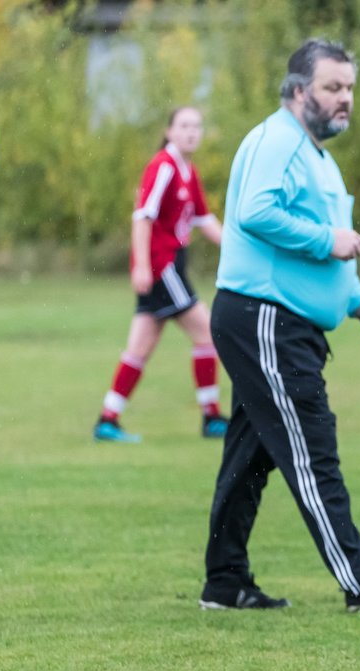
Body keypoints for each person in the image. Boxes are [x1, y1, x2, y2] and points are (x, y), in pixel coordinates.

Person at [199, 38, 360, 613]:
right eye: (332, 87)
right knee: (310, 447)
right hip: (265, 318)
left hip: (277, 322)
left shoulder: (318, 156)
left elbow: (338, 263)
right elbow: (254, 211)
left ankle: (225, 582)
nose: (345, 98)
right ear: (299, 91)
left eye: (349, 87)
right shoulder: (279, 140)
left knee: (252, 456)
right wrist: (329, 239)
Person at [93, 106, 227, 443]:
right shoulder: (163, 167)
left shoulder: (187, 170)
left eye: (196, 126)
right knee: (208, 333)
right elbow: (142, 217)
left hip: (170, 264)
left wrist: (241, 249)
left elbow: (204, 220)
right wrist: (140, 265)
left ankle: (108, 419)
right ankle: (211, 417)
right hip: (161, 265)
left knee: (140, 347)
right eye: (184, 126)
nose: (191, 132)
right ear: (169, 131)